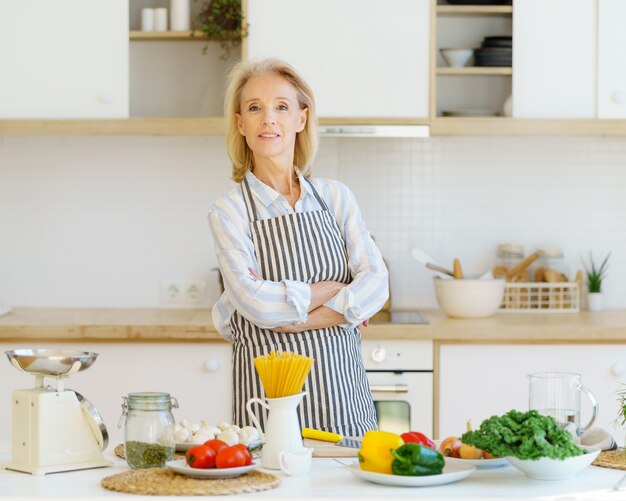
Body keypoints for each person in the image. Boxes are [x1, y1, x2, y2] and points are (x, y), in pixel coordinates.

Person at [208, 59, 389, 437]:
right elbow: (255, 304)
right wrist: (333, 294)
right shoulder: (229, 212)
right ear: (240, 123)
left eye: (281, 107)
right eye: (255, 108)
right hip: (266, 409)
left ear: (301, 119)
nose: (268, 119)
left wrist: (291, 319)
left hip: (344, 401)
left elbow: (376, 285)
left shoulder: (336, 197)